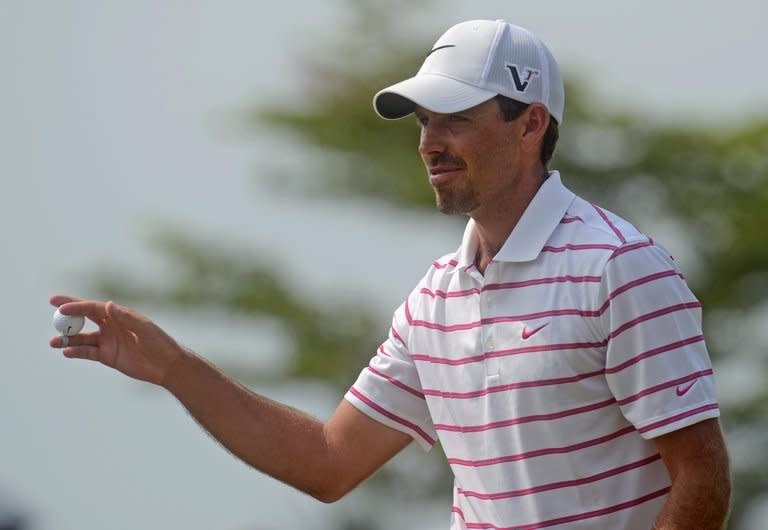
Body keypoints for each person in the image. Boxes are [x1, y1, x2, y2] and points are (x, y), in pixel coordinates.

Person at [50, 19, 731, 530]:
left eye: (456, 121)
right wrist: (176, 368)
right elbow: (326, 462)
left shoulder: (619, 266)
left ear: (530, 125)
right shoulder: (436, 297)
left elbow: (701, 474)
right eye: (425, 123)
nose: (430, 143)